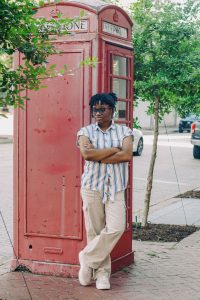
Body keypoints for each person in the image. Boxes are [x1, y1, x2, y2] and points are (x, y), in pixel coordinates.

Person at [77, 92, 133, 290]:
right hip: (92, 187)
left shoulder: (125, 132)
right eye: (95, 110)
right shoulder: (85, 131)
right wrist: (113, 149)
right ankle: (102, 275)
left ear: (112, 110)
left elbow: (126, 155)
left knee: (116, 227)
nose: (97, 113)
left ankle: (86, 258)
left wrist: (98, 154)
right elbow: (87, 154)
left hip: (116, 187)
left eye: (102, 109)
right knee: (95, 232)